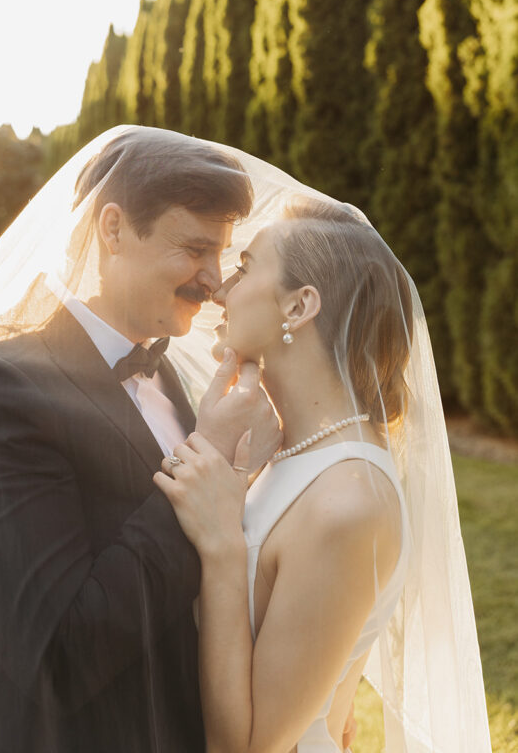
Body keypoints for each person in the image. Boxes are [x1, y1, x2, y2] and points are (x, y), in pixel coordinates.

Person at [0, 128, 282, 753]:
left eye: (221, 254)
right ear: (113, 230)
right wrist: (210, 453)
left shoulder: (165, 376)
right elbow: (60, 653)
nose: (215, 281)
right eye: (196, 249)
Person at [155, 194, 492, 753]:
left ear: (298, 307)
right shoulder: (293, 453)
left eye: (244, 269)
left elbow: (250, 746)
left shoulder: (348, 502)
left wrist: (221, 546)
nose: (220, 290)